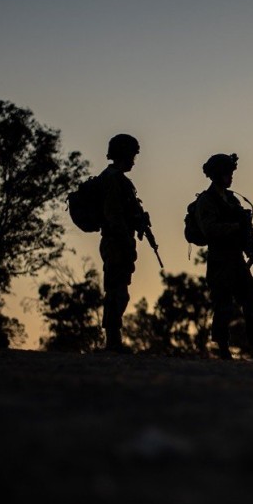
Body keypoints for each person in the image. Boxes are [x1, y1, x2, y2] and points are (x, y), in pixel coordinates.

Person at [193, 153, 253, 360]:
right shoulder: (206, 201)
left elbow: (246, 233)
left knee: (252, 306)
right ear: (218, 174)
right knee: (223, 306)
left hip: (237, 260)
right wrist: (236, 227)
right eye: (228, 173)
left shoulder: (232, 200)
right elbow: (209, 229)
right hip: (220, 260)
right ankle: (223, 349)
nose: (231, 177)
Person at [98, 134, 148, 352]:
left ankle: (114, 339)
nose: (134, 160)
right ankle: (112, 340)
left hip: (121, 240)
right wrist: (125, 235)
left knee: (120, 289)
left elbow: (124, 212)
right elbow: (113, 213)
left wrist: (138, 221)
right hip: (116, 241)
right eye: (132, 155)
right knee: (117, 291)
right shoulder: (113, 179)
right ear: (124, 154)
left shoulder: (119, 179)